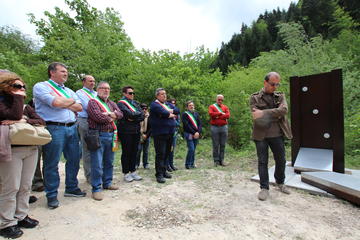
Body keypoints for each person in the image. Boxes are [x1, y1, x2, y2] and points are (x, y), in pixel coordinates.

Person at [33, 62, 85, 209]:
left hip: (71, 128)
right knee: (52, 162)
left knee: (74, 159)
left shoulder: (68, 90)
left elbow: (80, 107)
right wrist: (69, 102)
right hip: (53, 128)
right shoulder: (41, 86)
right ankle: (51, 195)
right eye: (62, 71)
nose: (66, 74)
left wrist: (64, 102)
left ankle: (71, 188)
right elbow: (55, 103)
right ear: (52, 72)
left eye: (66, 72)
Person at [0, 72, 42, 239]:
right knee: (11, 187)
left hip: (30, 148)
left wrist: (23, 121)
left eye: (23, 87)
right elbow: (14, 115)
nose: (22, 89)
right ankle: (6, 223)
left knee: (25, 186)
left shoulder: (26, 107)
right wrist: (18, 99)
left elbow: (40, 120)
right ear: (7, 86)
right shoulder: (3, 103)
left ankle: (21, 215)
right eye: (17, 86)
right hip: (12, 149)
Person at [250, 72, 292, 201]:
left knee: (281, 160)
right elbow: (256, 116)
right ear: (265, 82)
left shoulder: (280, 96)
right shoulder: (254, 98)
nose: (275, 87)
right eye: (273, 84)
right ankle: (264, 188)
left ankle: (280, 182)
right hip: (260, 134)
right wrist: (275, 113)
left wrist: (263, 112)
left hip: (277, 133)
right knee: (263, 161)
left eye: (277, 84)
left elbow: (284, 110)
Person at [87, 81, 123, 201]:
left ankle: (107, 182)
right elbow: (98, 117)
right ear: (97, 89)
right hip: (98, 135)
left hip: (111, 135)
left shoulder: (111, 103)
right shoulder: (93, 102)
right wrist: (112, 115)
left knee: (109, 161)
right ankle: (96, 188)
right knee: (97, 163)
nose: (106, 90)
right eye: (103, 88)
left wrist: (109, 113)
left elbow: (121, 114)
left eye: (108, 88)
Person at [149, 88, 180, 183]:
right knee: (160, 154)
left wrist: (169, 112)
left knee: (167, 153)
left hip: (170, 132)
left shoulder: (167, 104)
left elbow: (177, 110)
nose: (164, 96)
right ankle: (159, 174)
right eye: (162, 94)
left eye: (165, 94)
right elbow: (164, 113)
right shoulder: (154, 105)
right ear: (157, 96)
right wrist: (170, 113)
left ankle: (164, 170)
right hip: (160, 133)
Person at [117, 86, 144, 182]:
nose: (132, 95)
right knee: (126, 152)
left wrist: (134, 117)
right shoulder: (121, 103)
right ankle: (126, 172)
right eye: (130, 93)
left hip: (136, 130)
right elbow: (128, 114)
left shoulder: (135, 103)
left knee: (135, 151)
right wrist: (135, 116)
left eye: (133, 93)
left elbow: (142, 115)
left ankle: (133, 171)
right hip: (125, 131)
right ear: (124, 93)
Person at [76, 75, 97, 183]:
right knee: (87, 149)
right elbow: (88, 106)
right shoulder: (80, 93)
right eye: (90, 81)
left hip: (96, 122)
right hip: (85, 120)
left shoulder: (96, 93)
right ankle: (89, 175)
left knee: (97, 147)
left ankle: (97, 173)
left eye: (93, 81)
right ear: (84, 82)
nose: (92, 83)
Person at [208, 94, 230, 166]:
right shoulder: (212, 106)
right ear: (216, 99)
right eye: (219, 99)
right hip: (215, 127)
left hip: (224, 127)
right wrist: (221, 113)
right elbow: (211, 114)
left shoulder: (225, 107)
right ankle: (216, 161)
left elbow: (228, 116)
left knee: (223, 144)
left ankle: (222, 160)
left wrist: (217, 116)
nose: (220, 101)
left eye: (221, 100)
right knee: (215, 145)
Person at [182, 101, 202, 169]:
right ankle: (187, 164)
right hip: (189, 134)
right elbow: (187, 125)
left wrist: (198, 132)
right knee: (191, 149)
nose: (191, 106)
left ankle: (192, 164)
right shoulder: (185, 114)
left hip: (196, 134)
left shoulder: (196, 113)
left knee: (194, 149)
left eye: (192, 105)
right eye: (190, 105)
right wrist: (194, 133)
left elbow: (200, 124)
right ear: (187, 107)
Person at [165, 98, 180, 172]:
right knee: (167, 149)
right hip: (168, 132)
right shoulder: (167, 113)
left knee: (172, 150)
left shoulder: (176, 113)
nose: (173, 105)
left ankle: (171, 164)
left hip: (175, 133)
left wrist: (176, 122)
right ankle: (166, 165)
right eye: (172, 103)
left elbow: (178, 123)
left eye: (174, 103)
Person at [136, 103, 151, 169]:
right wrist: (141, 134)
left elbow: (151, 127)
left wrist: (146, 135)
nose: (144, 110)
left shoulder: (149, 116)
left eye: (146, 108)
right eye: (143, 108)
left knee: (146, 151)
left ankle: (145, 164)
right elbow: (136, 126)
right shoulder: (137, 115)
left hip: (147, 134)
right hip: (139, 134)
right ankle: (136, 164)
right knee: (138, 150)